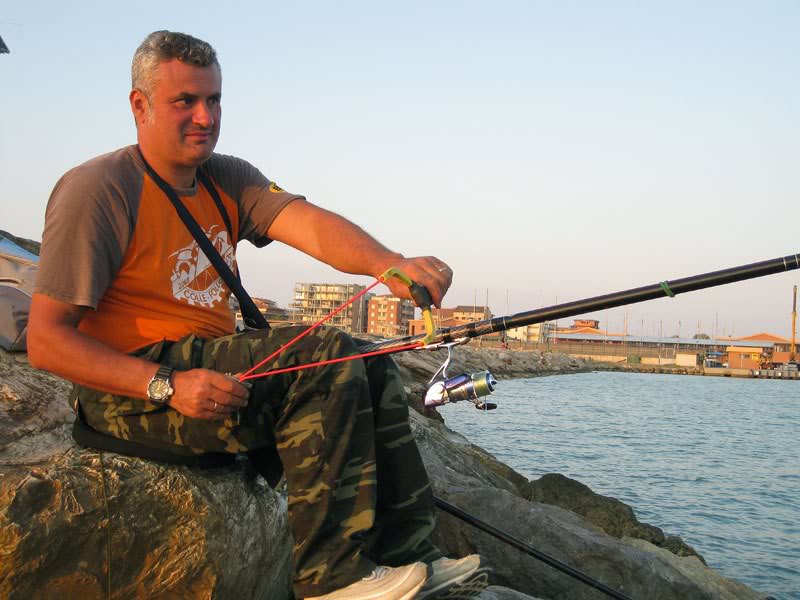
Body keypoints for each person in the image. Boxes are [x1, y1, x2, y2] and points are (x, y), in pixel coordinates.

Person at [27, 31, 489, 600]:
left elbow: (310, 224)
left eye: (214, 99)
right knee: (323, 354)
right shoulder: (99, 189)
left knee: (369, 360)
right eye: (185, 101)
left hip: (210, 368)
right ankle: (332, 578)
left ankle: (408, 553)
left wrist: (387, 263)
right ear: (139, 106)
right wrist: (167, 384)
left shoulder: (226, 176)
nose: (205, 117)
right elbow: (46, 341)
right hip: (133, 389)